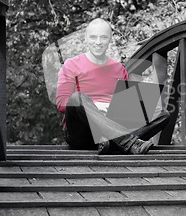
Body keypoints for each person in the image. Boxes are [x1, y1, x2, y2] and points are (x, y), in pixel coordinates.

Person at [55, 18, 170, 154]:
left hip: (111, 127)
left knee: (162, 114)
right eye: (93, 37)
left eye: (103, 37)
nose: (98, 42)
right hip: (81, 132)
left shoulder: (118, 68)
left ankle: (111, 144)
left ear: (110, 39)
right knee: (76, 98)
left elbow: (125, 108)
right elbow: (61, 103)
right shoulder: (71, 65)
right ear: (86, 38)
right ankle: (128, 143)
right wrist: (98, 107)